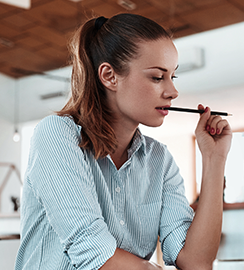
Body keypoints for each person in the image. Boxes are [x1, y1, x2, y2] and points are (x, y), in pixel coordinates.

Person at [15, 13, 232, 270]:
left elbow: (196, 262)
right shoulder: (57, 135)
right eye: (156, 77)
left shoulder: (159, 160)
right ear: (109, 76)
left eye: (173, 77)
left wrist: (214, 159)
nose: (173, 92)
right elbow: (94, 254)